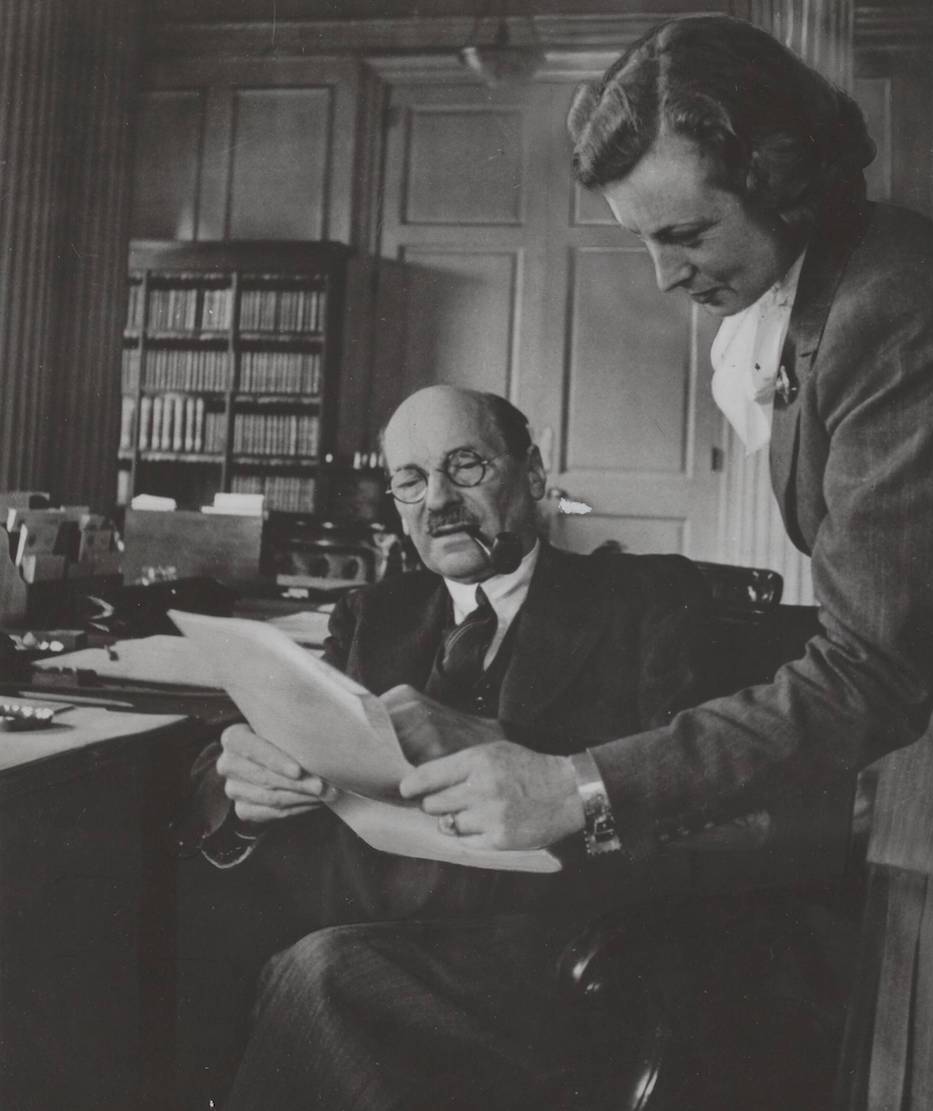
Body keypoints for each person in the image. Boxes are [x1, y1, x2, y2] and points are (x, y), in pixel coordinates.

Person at [227, 16, 933, 1111]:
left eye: (685, 233)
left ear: (786, 184)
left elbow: (870, 666)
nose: (660, 277)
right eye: (642, 239)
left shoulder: (896, 304)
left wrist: (575, 786)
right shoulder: (831, 294)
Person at [178, 385, 735, 1109]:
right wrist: (246, 789)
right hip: (372, 927)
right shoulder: (375, 611)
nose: (436, 499)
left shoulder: (643, 597)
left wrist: (525, 752)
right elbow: (238, 765)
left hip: (550, 955)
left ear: (532, 476)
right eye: (410, 479)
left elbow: (701, 802)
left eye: (465, 466)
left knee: (323, 977)